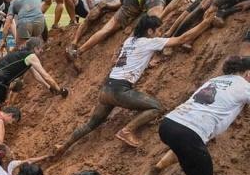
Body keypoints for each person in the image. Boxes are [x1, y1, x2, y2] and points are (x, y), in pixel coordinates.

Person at [55, 14, 214, 154]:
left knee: (91, 124)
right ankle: (127, 130)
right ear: (150, 31)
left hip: (106, 88)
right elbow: (182, 39)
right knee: (156, 107)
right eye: (158, 30)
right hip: (120, 90)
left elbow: (133, 59)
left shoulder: (130, 40)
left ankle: (63, 146)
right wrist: (206, 22)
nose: (160, 33)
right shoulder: (149, 42)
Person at [143, 56, 250, 175]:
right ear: (248, 73)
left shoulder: (215, 80)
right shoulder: (245, 87)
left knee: (185, 148)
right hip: (190, 132)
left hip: (169, 124)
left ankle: (156, 169)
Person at [0, 37, 67, 107]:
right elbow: (46, 76)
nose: (42, 51)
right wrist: (59, 90)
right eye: (40, 48)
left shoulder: (24, 55)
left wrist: (49, 87)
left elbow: (36, 75)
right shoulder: (31, 56)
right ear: (35, 48)